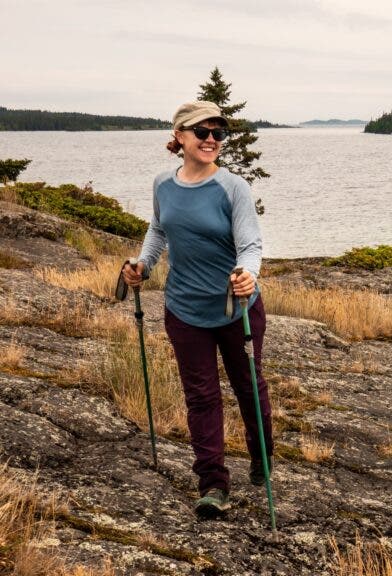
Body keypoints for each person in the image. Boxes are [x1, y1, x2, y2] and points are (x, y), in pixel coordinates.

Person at [121, 100, 272, 519]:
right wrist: (143, 264)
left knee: (248, 386)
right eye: (201, 132)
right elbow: (158, 229)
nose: (211, 140)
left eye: (218, 133)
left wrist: (248, 273)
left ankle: (262, 457)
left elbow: (250, 243)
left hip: (236, 307)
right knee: (201, 397)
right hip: (184, 310)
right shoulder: (162, 185)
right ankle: (213, 484)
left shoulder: (233, 187)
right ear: (179, 137)